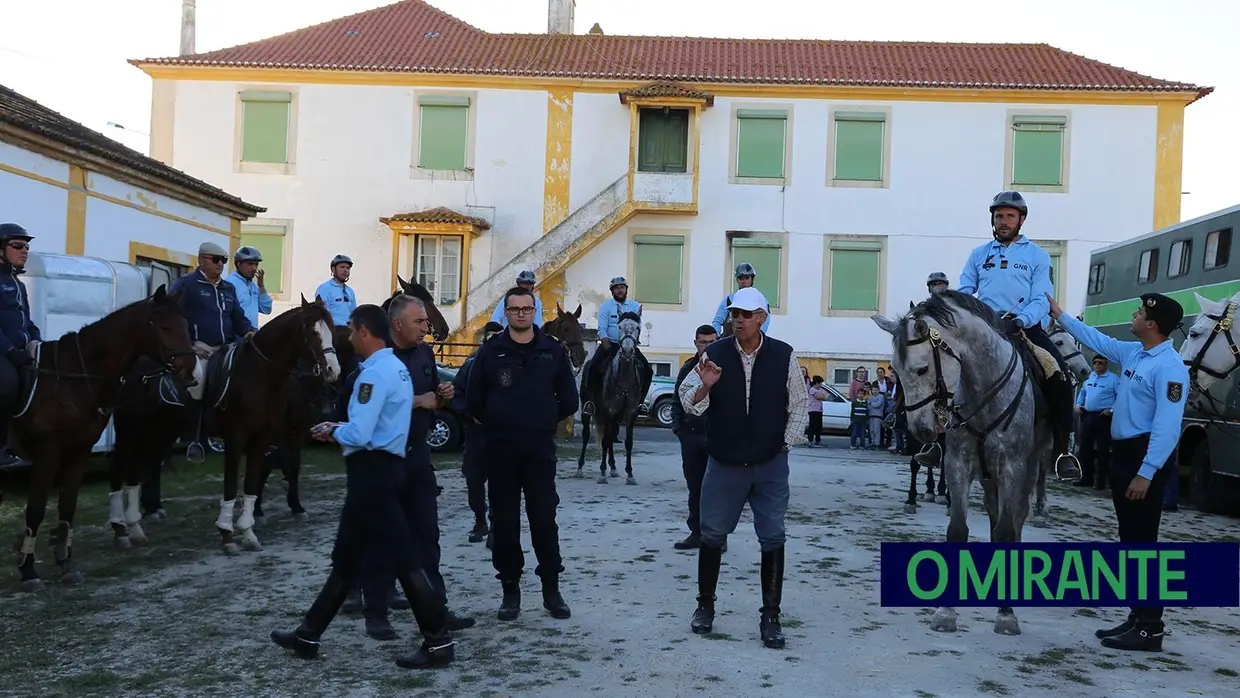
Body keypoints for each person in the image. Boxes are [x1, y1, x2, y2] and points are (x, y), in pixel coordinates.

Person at [270, 304, 454, 670]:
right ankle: (309, 634)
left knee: (404, 560)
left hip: (374, 475)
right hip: (379, 472)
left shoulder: (373, 376)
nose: (349, 337)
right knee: (346, 560)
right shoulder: (397, 368)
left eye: (352, 330)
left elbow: (361, 431)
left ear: (366, 331)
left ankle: (437, 642)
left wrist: (333, 429)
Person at [1048, 291, 1188, 653]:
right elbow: (1098, 340)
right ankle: (1138, 616)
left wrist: (1147, 472)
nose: (1134, 314)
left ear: (1152, 324)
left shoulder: (1170, 367)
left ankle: (1150, 628)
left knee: (1144, 545)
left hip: (1144, 458)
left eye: (1139, 312)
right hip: (1124, 454)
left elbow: (1167, 427)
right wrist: (1061, 315)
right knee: (1131, 541)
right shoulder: (1135, 352)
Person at [678, 287, 809, 649]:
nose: (739, 320)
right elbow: (689, 404)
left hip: (769, 464)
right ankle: (705, 606)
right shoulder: (714, 354)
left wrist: (785, 442)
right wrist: (705, 388)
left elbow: (799, 403)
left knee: (772, 537)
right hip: (725, 463)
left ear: (762, 318)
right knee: (712, 535)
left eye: (747, 314)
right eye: (735, 313)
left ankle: (771, 616)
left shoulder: (783, 355)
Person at [354, 294, 477, 641]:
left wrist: (442, 393)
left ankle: (435, 609)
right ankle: (375, 613)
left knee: (426, 537)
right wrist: (414, 402)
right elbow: (361, 406)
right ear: (396, 325)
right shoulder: (374, 359)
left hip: (417, 458)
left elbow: (430, 396)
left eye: (426, 321)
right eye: (419, 322)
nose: (427, 327)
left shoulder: (424, 352)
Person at [467, 286, 579, 621]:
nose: (520, 314)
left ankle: (551, 589)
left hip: (539, 449)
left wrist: (540, 421)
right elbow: (473, 401)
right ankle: (510, 591)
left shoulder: (552, 351)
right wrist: (503, 423)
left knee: (544, 519)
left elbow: (569, 400)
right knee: (504, 522)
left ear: (534, 312)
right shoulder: (490, 352)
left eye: (526, 309)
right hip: (500, 450)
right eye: (514, 309)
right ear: (506, 312)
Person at [957, 190, 1080, 481]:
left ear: (1021, 219)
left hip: (1024, 328)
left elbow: (1041, 298)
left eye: (1009, 216)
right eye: (999, 216)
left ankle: (1063, 451)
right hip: (985, 329)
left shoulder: (1036, 255)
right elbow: (964, 291)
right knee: (945, 372)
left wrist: (1021, 319)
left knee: (1059, 376)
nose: (1003, 221)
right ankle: (937, 445)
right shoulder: (979, 254)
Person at [170, 242, 255, 455]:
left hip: (226, 347)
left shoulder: (228, 288)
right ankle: (195, 438)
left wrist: (249, 331)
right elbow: (172, 316)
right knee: (198, 380)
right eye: (215, 260)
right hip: (200, 347)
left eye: (223, 261)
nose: (220, 265)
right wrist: (189, 345)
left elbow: (237, 317)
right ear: (200, 260)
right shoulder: (186, 284)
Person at [671, 325, 726, 551]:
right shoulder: (688, 368)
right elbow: (677, 398)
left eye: (713, 341)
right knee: (695, 487)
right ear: (696, 342)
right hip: (691, 436)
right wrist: (679, 428)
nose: (708, 346)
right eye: (704, 342)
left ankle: (718, 536)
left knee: (718, 488)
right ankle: (696, 532)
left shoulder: (725, 367)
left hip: (716, 436)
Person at [453, 321, 504, 547]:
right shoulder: (471, 364)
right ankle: (480, 521)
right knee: (474, 480)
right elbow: (457, 394)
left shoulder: (508, 363)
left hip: (501, 435)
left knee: (500, 482)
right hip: (476, 434)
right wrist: (469, 413)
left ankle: (496, 526)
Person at [0, 223, 40, 469]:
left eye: (26, 246)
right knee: (7, 385)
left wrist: (38, 341)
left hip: (20, 350)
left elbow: (27, 320)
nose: (24, 250)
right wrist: (10, 351)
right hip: (3, 351)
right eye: (17, 246)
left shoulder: (19, 284)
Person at [580, 277, 641, 413]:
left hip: (630, 345)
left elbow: (638, 327)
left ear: (626, 289)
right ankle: (590, 401)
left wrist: (634, 343)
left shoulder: (635, 306)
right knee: (593, 367)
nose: (620, 290)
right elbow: (602, 328)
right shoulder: (606, 307)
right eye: (616, 288)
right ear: (612, 291)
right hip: (610, 344)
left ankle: (639, 403)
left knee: (647, 369)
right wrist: (606, 342)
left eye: (622, 287)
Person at [1075, 355, 1119, 490]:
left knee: (1102, 449)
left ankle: (1100, 481)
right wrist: (1078, 405)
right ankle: (1086, 478)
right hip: (1087, 415)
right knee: (1084, 448)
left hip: (1103, 417)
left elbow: (1121, 397)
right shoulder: (1090, 377)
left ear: (1106, 364)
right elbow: (1082, 394)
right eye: (1095, 362)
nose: (1097, 365)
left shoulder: (1113, 379)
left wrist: (1112, 410)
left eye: (1100, 363)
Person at [711, 263, 771, 335]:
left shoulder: (761, 300)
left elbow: (765, 322)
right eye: (741, 278)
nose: (744, 281)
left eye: (747, 278)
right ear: (737, 280)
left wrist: (756, 338)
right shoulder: (729, 299)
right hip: (729, 341)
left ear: (752, 279)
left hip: (751, 342)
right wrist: (716, 337)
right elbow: (717, 321)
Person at [225, 246, 273, 329]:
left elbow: (267, 309)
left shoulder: (253, 286)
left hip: (251, 334)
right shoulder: (230, 283)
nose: (254, 268)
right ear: (238, 264)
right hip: (235, 335)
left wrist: (261, 286)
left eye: (256, 264)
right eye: (250, 264)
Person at [316, 255, 357, 327]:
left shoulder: (350, 291)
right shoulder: (324, 289)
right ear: (333, 269)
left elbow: (354, 314)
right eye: (342, 267)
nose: (345, 270)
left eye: (348, 268)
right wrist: (345, 324)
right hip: (333, 331)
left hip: (349, 331)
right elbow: (324, 315)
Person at [806, 376, 828, 447]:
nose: (821, 385)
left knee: (819, 427)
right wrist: (823, 396)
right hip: (813, 410)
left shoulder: (820, 390)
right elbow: (820, 397)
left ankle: (818, 441)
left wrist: (824, 396)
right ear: (817, 383)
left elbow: (825, 397)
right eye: (820, 383)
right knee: (812, 426)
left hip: (819, 410)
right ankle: (810, 440)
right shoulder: (812, 389)